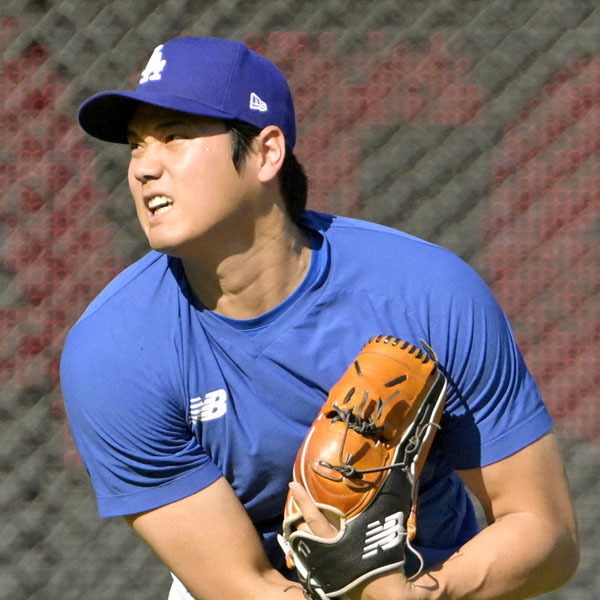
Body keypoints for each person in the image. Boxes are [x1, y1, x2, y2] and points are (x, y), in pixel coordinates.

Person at [60, 36, 579, 600]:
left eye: (175, 137)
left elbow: (545, 533)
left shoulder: (424, 294)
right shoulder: (114, 353)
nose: (143, 168)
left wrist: (419, 594)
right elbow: (238, 583)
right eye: (136, 145)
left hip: (433, 576)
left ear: (266, 152)